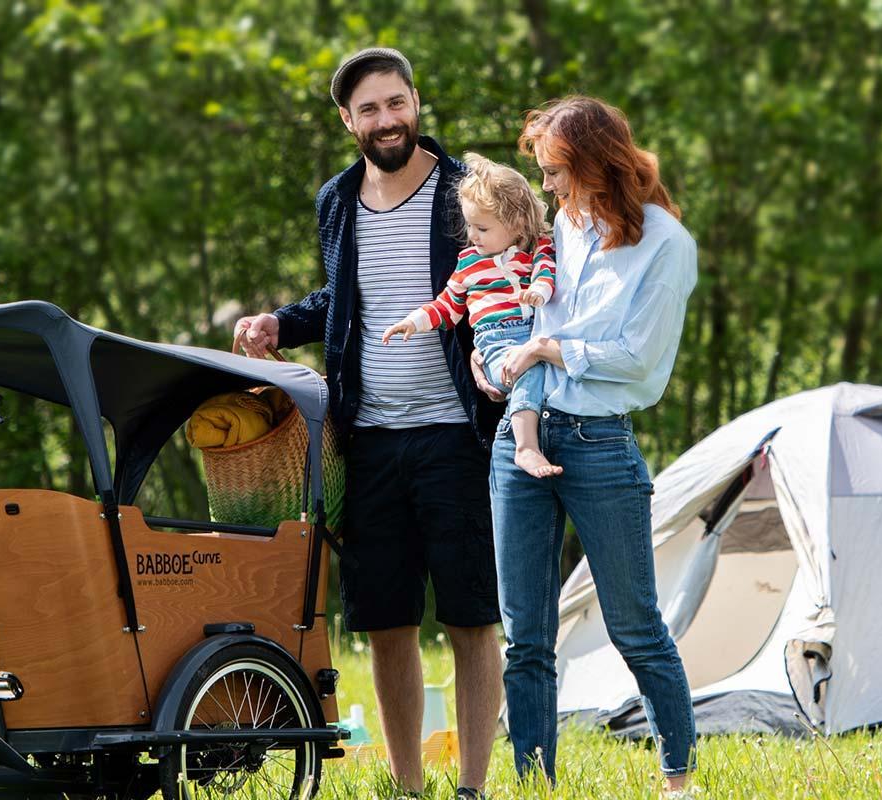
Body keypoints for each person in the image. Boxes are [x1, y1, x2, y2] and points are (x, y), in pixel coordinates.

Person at [231, 47, 502, 800]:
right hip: (369, 442)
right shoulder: (336, 201)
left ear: (417, 102)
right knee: (385, 620)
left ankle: (473, 787)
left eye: (398, 102)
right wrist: (278, 324)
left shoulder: (463, 193)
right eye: (371, 109)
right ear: (347, 120)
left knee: (472, 616)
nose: (388, 120)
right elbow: (340, 303)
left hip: (458, 436)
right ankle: (409, 786)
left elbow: (510, 279)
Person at [473, 95, 701, 796]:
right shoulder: (558, 231)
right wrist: (497, 363)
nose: (545, 187)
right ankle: (535, 783)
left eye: (554, 172)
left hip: (600, 445)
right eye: (540, 172)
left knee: (636, 627)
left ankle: (678, 778)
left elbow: (640, 360)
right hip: (523, 435)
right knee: (526, 640)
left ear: (598, 163)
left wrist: (548, 347)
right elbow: (513, 308)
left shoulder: (666, 244)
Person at [382, 153, 561, 479]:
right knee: (527, 371)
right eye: (469, 225)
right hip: (496, 343)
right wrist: (414, 321)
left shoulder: (538, 248)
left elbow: (547, 272)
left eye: (481, 227)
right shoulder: (468, 262)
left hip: (535, 333)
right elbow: (447, 306)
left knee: (542, 366)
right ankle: (525, 447)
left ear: (517, 223)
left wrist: (540, 290)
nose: (472, 235)